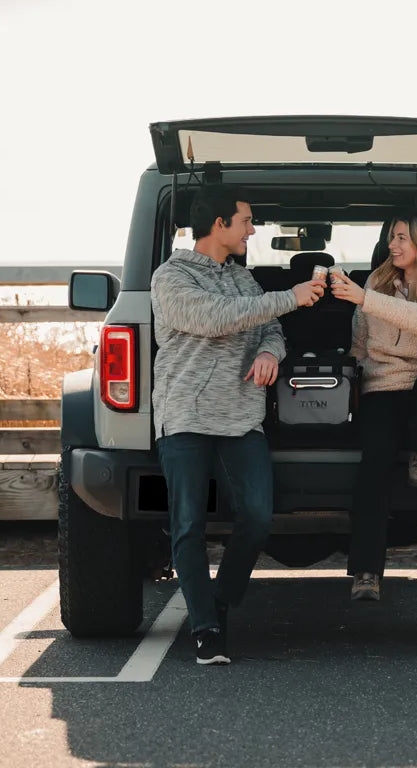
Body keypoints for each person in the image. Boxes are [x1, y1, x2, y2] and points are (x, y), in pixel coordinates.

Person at [151, 184, 325, 664]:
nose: (253, 230)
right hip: (185, 413)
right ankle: (206, 629)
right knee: (187, 526)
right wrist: (289, 296)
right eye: (246, 221)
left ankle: (218, 601)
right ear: (219, 225)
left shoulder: (245, 280)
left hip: (241, 416)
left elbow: (268, 326)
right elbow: (217, 318)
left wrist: (271, 350)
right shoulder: (172, 278)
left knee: (257, 517)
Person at [330, 210, 417, 601]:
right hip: (382, 388)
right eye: (392, 236)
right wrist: (352, 381)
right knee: (374, 466)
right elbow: (360, 341)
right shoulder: (377, 281)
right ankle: (366, 574)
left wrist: (365, 298)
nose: (393, 244)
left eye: (402, 237)